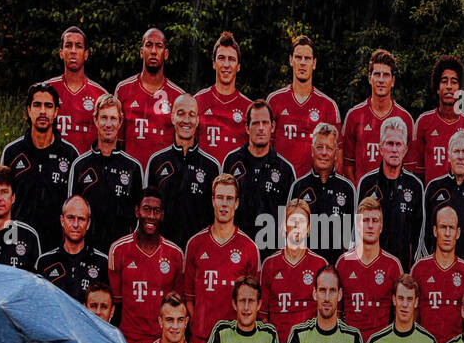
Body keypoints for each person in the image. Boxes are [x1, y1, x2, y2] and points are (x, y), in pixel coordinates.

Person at [0, 84, 81, 252]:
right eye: (37, 105)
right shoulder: (12, 152)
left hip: (55, 247)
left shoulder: (70, 154)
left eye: (48, 106)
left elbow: (74, 209)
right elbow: (2, 202)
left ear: (56, 111)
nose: (43, 111)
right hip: (17, 242)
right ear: (29, 110)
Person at [184, 173, 259, 343]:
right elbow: (188, 297)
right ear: (213, 201)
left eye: (229, 198)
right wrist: (200, 327)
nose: (224, 203)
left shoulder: (249, 248)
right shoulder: (195, 244)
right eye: (220, 197)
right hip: (201, 341)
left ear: (237, 203)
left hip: (236, 341)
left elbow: (253, 300)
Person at [107, 189, 185, 343]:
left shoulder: (175, 254)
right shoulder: (119, 250)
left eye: (156, 211)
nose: (151, 216)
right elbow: (115, 307)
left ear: (162, 214)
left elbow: (177, 306)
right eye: (146, 209)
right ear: (137, 211)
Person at [69, 93, 144, 254]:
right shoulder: (80, 165)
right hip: (87, 253)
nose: (108, 124)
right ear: (95, 120)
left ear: (120, 121)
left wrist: (126, 248)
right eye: (104, 118)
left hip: (120, 254)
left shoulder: (133, 167)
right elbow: (71, 213)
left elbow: (139, 216)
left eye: (113, 118)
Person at [224, 98, 296, 256]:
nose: (261, 128)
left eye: (265, 123)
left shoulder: (285, 170)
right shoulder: (231, 162)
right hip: (236, 250)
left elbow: (289, 222)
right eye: (255, 123)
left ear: (273, 126)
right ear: (247, 128)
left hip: (271, 253)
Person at [146, 93, 219, 250]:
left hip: (199, 252)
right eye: (181, 114)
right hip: (162, 251)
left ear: (198, 120)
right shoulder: (157, 162)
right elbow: (147, 213)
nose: (186, 120)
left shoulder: (211, 166)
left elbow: (215, 218)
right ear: (172, 117)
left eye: (192, 115)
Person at [356, 116, 426, 269]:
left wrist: (410, 269)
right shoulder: (366, 183)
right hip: (371, 267)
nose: (394, 149)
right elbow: (356, 231)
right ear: (381, 148)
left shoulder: (415, 186)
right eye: (390, 143)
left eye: (398, 144)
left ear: (405, 149)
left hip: (403, 272)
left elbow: (419, 237)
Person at [268, 35, 341, 179]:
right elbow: (265, 147)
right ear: (291, 60)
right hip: (280, 181)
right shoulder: (275, 100)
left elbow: (337, 157)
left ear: (314, 63)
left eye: (307, 58)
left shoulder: (328, 106)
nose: (302, 63)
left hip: (313, 185)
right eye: (298, 57)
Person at [260, 200, 328, 343]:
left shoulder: (320, 265)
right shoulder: (270, 264)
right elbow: (263, 316)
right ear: (284, 226)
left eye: (302, 221)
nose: (297, 226)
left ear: (309, 228)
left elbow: (326, 314)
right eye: (292, 220)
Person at [115, 27, 185, 172]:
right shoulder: (123, 90)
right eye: (149, 45)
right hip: (130, 176)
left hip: (165, 176)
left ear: (165, 54)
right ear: (142, 52)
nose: (153, 51)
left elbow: (182, 146)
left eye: (159, 46)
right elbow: (116, 142)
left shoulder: (178, 96)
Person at [341, 49, 414, 186]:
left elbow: (409, 167)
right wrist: (358, 194)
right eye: (377, 74)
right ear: (370, 78)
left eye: (386, 75)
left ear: (392, 81)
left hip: (394, 198)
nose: (381, 80)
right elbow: (347, 165)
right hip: (364, 201)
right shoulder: (354, 115)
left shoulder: (405, 118)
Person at [337, 197, 404, 341]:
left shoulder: (392, 265)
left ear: (381, 226)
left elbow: (400, 313)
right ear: (357, 224)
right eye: (365, 220)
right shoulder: (343, 262)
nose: (370, 226)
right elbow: (337, 311)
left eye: (375, 221)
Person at [422, 130, 464, 271]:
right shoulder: (434, 188)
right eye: (456, 151)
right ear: (449, 155)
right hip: (438, 270)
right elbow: (424, 235)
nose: (460, 157)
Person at [410, 55, 464, 185]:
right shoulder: (424, 122)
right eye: (444, 81)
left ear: (459, 89)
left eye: (454, 82)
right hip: (431, 201)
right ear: (437, 88)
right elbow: (417, 172)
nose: (449, 86)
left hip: (461, 201)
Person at [412, 205, 464, 343]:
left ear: (458, 233)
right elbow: (412, 317)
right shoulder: (419, 269)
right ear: (435, 231)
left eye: (451, 228)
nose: (447, 233)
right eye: (443, 227)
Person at [290, 123, 357, 256]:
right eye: (319, 147)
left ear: (336, 153)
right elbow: (288, 233)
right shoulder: (298, 187)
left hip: (335, 269)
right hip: (304, 266)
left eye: (329, 148)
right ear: (312, 150)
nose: (324, 153)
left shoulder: (347, 189)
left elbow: (353, 239)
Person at [46, 26, 109, 154]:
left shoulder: (100, 95)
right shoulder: (47, 91)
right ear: (61, 53)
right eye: (68, 45)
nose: (73, 50)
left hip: (86, 170)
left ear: (86, 54)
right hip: (52, 167)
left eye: (78, 46)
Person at [37, 195, 108, 301]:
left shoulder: (102, 262)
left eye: (81, 219)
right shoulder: (45, 261)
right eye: (70, 218)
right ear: (62, 220)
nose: (75, 224)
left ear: (88, 223)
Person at [195, 31, 252, 166]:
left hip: (235, 182)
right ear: (214, 63)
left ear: (238, 66)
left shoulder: (249, 107)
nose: (226, 64)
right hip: (203, 180)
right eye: (221, 58)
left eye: (231, 59)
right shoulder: (198, 101)